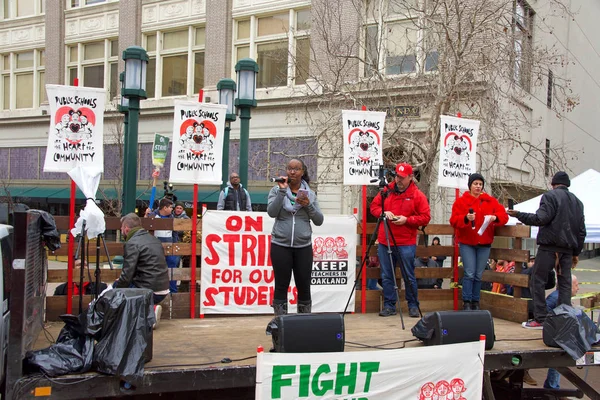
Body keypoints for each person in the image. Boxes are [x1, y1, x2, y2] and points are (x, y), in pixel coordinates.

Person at [508, 171, 586, 329]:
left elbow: (540, 219)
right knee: (564, 283)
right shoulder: (578, 202)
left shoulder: (550, 197)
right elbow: (581, 231)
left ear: (553, 184)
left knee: (537, 280)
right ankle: (563, 318)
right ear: (567, 185)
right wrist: (576, 253)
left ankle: (540, 318)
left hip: (549, 247)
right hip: (567, 250)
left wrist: (519, 215)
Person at [369, 162, 431, 318]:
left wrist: (407, 220)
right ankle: (389, 305)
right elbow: (374, 207)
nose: (399, 180)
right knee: (386, 275)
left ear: (410, 177)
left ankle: (413, 305)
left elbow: (425, 217)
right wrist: (384, 213)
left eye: (402, 177)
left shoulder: (417, 195)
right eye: (397, 176)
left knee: (408, 275)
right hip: (386, 240)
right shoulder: (386, 190)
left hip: (406, 242)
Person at [267, 158, 323, 317]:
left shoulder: (310, 194)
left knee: (304, 286)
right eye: (290, 169)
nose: (292, 172)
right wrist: (282, 192)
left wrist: (308, 205)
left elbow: (319, 220)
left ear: (302, 172)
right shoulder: (276, 191)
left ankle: (303, 326)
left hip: (303, 247)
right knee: (281, 285)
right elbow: (271, 212)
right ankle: (280, 325)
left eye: (297, 169)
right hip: (280, 245)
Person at [450, 173, 509, 310]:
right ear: (470, 185)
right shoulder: (461, 201)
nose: (478, 186)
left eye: (480, 184)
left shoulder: (490, 201)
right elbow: (453, 220)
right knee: (469, 273)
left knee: (478, 274)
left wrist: (495, 217)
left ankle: (476, 301)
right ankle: (466, 301)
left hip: (485, 243)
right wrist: (466, 218)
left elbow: (504, 216)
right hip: (467, 242)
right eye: (475, 184)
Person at [114, 213, 169, 328]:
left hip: (148, 291)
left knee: (116, 290)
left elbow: (127, 274)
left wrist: (116, 287)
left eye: (121, 228)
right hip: (163, 288)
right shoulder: (154, 240)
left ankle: (148, 313)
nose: (121, 230)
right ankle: (148, 310)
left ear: (126, 228)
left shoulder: (132, 243)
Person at [544, 275, 579, 390]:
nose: (578, 288)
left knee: (560, 359)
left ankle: (553, 386)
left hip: (555, 333)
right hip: (553, 335)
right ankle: (552, 387)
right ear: (568, 286)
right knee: (559, 357)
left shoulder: (559, 297)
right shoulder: (558, 298)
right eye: (576, 285)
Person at [146, 198, 179, 293]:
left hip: (169, 247)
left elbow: (175, 234)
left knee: (172, 268)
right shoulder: (153, 216)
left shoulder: (171, 218)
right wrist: (146, 215)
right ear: (165, 208)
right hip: (156, 248)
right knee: (156, 268)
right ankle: (155, 290)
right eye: (170, 207)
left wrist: (175, 245)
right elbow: (145, 226)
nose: (172, 209)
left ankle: (172, 291)